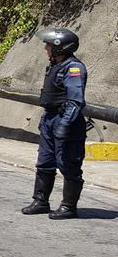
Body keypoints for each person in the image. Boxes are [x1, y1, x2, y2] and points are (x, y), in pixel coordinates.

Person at [22, 28, 88, 220]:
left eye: (49, 45)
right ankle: (41, 201)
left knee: (68, 164)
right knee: (45, 162)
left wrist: (64, 125)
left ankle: (68, 207)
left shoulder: (74, 68)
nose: (46, 48)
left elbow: (75, 101)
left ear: (60, 48)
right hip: (50, 119)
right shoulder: (54, 65)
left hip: (66, 121)